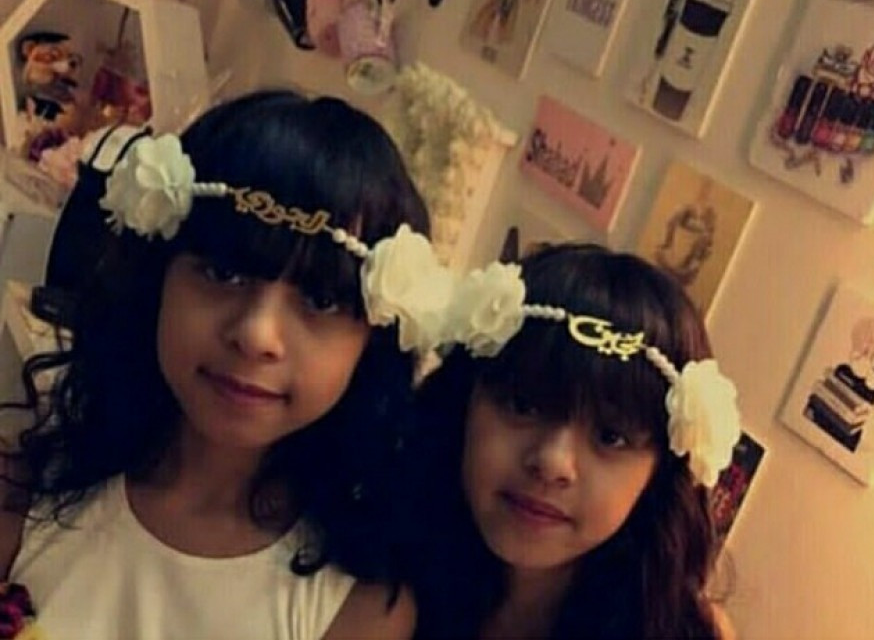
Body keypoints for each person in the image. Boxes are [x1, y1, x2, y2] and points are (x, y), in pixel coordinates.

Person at [0, 89, 447, 640]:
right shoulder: (24, 491)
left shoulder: (357, 608)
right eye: (223, 273)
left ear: (371, 343)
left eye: (320, 300)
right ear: (158, 279)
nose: (256, 335)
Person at [411, 242, 741, 640]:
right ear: (465, 401)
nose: (552, 462)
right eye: (523, 405)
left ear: (659, 474)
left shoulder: (682, 631)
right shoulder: (368, 576)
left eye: (610, 436)